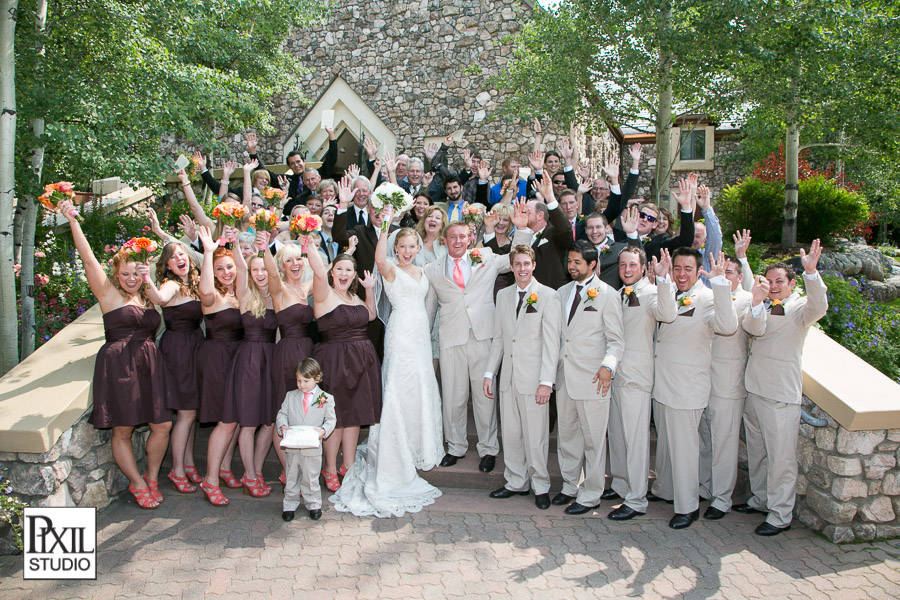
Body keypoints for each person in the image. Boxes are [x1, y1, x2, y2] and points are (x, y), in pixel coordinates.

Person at [58, 199, 172, 509]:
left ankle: (151, 476)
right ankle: (137, 484)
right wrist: (73, 221)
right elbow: (87, 257)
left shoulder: (147, 297)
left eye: (136, 273)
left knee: (162, 425)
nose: (131, 278)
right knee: (123, 428)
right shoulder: (108, 294)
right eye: (125, 273)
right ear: (116, 272)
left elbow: (164, 294)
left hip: (149, 364)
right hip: (120, 365)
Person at [331, 214, 444, 517]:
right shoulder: (390, 269)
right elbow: (379, 259)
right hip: (400, 335)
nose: (407, 250)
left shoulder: (423, 271)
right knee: (398, 385)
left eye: (411, 246)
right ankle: (396, 446)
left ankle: (419, 444)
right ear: (396, 249)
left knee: (421, 383)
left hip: (420, 336)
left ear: (418, 247)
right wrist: (385, 227)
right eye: (402, 246)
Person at [424, 208, 532, 472]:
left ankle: (488, 448)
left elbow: (514, 259)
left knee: (485, 396)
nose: (458, 241)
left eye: (462, 236)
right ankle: (456, 446)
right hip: (451, 338)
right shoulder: (433, 270)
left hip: (484, 336)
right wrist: (423, 340)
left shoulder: (485, 257)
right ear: (445, 240)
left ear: (469, 238)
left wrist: (522, 231)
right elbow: (429, 310)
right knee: (453, 396)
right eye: (453, 237)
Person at [737, 241, 827, 536]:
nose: (774, 287)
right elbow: (753, 328)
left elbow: (819, 306)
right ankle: (761, 499)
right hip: (755, 388)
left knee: (781, 458)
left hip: (780, 394)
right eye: (770, 281)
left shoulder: (800, 308)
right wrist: (756, 300)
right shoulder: (760, 305)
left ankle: (780, 514)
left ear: (791, 284)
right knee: (759, 452)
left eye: (780, 282)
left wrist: (812, 274)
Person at [650, 248, 738, 530]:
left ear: (699, 270)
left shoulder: (708, 297)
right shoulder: (668, 291)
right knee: (666, 446)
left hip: (686, 387)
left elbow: (727, 326)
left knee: (685, 450)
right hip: (662, 383)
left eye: (688, 268)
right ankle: (665, 490)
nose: (682, 274)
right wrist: (663, 281)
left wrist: (721, 285)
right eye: (677, 268)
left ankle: (688, 507)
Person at [484, 245, 561, 509]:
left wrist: (546, 382)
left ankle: (540, 485)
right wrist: (489, 372)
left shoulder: (548, 297)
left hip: (534, 380)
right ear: (512, 266)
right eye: (517, 264)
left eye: (526, 263)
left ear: (534, 265)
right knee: (512, 433)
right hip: (508, 378)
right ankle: (515, 481)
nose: (522, 269)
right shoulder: (504, 295)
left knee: (535, 437)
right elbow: (499, 338)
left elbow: (552, 344)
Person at [553, 241, 625, 514]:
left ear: (593, 264)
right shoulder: (561, 292)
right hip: (565, 377)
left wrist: (608, 366)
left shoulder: (608, 294)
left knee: (594, 440)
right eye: (569, 261)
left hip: (595, 378)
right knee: (568, 436)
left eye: (577, 263)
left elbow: (616, 341)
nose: (571, 267)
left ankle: (592, 494)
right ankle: (570, 485)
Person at [605, 246, 676, 521]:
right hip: (614, 377)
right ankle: (621, 484)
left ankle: (636, 499)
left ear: (643, 266)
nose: (627, 269)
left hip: (637, 377)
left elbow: (668, 314)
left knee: (635, 441)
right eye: (623, 265)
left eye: (632, 264)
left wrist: (664, 280)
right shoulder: (619, 294)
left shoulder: (650, 293)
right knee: (618, 436)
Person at [307, 241, 381, 492]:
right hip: (334, 361)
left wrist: (369, 290)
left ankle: (347, 465)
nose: (344, 274)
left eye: (349, 270)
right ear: (331, 272)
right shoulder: (324, 293)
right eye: (339, 269)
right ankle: (329, 467)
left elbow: (370, 316)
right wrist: (308, 245)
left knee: (355, 416)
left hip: (362, 361)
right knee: (336, 417)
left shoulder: (354, 296)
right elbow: (317, 270)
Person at [700, 255, 767, 521]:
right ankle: (705, 487)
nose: (724, 275)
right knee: (705, 440)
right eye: (720, 271)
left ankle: (722, 498)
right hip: (701, 379)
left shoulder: (746, 300)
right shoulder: (709, 296)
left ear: (740, 277)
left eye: (729, 272)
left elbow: (745, 328)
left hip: (727, 383)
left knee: (724, 443)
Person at [140, 241, 204, 494]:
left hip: (195, 345)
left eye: (182, 254)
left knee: (191, 412)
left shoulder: (193, 284)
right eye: (173, 257)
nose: (179, 259)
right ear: (166, 265)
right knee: (187, 413)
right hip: (179, 350)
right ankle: (177, 471)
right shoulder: (172, 285)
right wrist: (146, 276)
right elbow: (157, 298)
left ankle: (187, 464)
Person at [221, 234, 279, 498]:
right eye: (255, 269)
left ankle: (253, 470)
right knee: (248, 423)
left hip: (271, 360)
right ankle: (251, 475)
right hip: (249, 361)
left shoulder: (277, 297)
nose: (259, 273)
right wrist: (233, 240)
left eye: (263, 269)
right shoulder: (244, 293)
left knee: (268, 421)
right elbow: (240, 266)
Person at [195, 226, 244, 506]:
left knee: (234, 417)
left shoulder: (237, 294)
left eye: (230, 267)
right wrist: (209, 253)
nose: (227, 272)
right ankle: (210, 479)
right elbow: (204, 289)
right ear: (213, 272)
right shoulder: (211, 296)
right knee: (226, 420)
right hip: (216, 358)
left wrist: (235, 244)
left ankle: (224, 467)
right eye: (220, 269)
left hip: (237, 356)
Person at [263, 243, 315, 488]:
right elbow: (271, 274)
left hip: (307, 352)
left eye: (299, 259)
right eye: (289, 261)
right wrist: (265, 246)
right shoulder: (279, 289)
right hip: (287, 355)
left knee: (305, 412)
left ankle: (298, 470)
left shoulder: (306, 287)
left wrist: (309, 245)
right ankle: (289, 472)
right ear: (282, 266)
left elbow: (322, 270)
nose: (295, 264)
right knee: (285, 413)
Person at [277, 359, 337, 522]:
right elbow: (282, 414)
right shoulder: (290, 396)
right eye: (298, 380)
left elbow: (331, 420)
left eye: (306, 381)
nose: (301, 385)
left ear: (317, 378)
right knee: (291, 476)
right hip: (293, 446)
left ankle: (314, 504)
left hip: (311, 447)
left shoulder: (325, 398)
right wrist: (282, 426)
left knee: (311, 478)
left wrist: (323, 430)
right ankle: (289, 505)